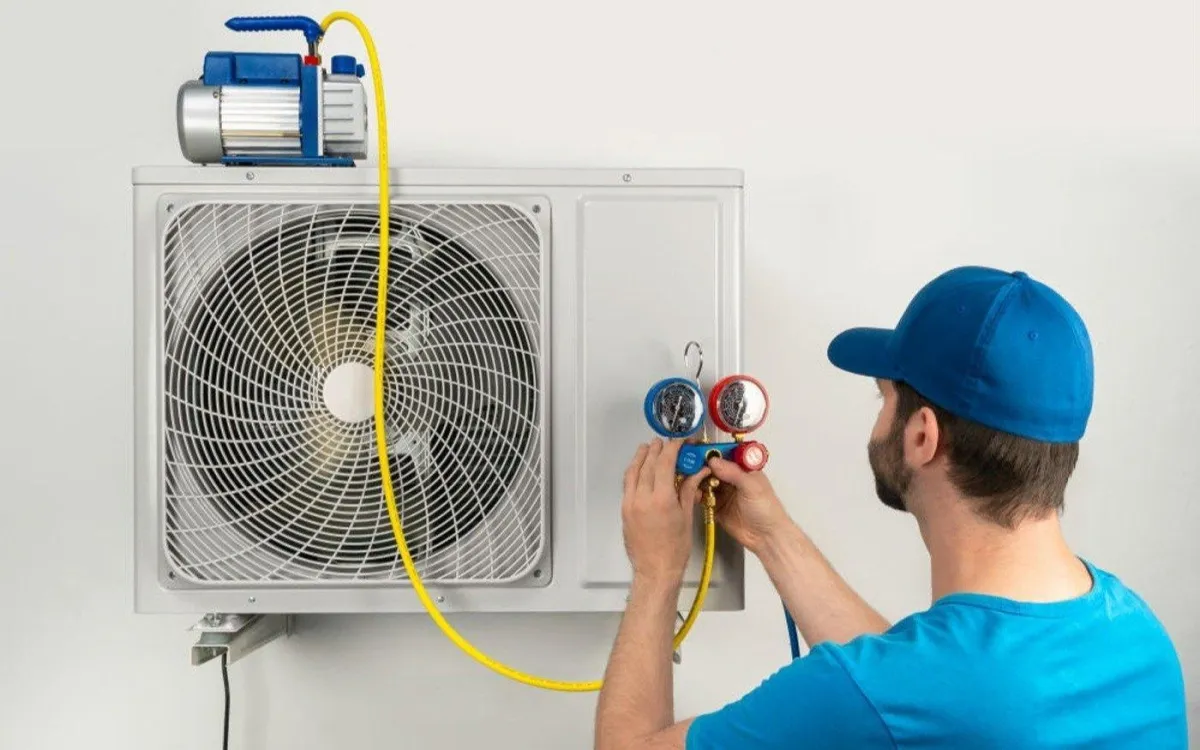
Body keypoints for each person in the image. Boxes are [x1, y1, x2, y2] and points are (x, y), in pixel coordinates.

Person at [593, 266, 1188, 749]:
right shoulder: (1138, 639)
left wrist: (657, 571)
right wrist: (772, 536)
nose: (878, 419)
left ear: (923, 435)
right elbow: (914, 692)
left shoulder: (896, 690)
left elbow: (893, 694)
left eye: (883, 399)